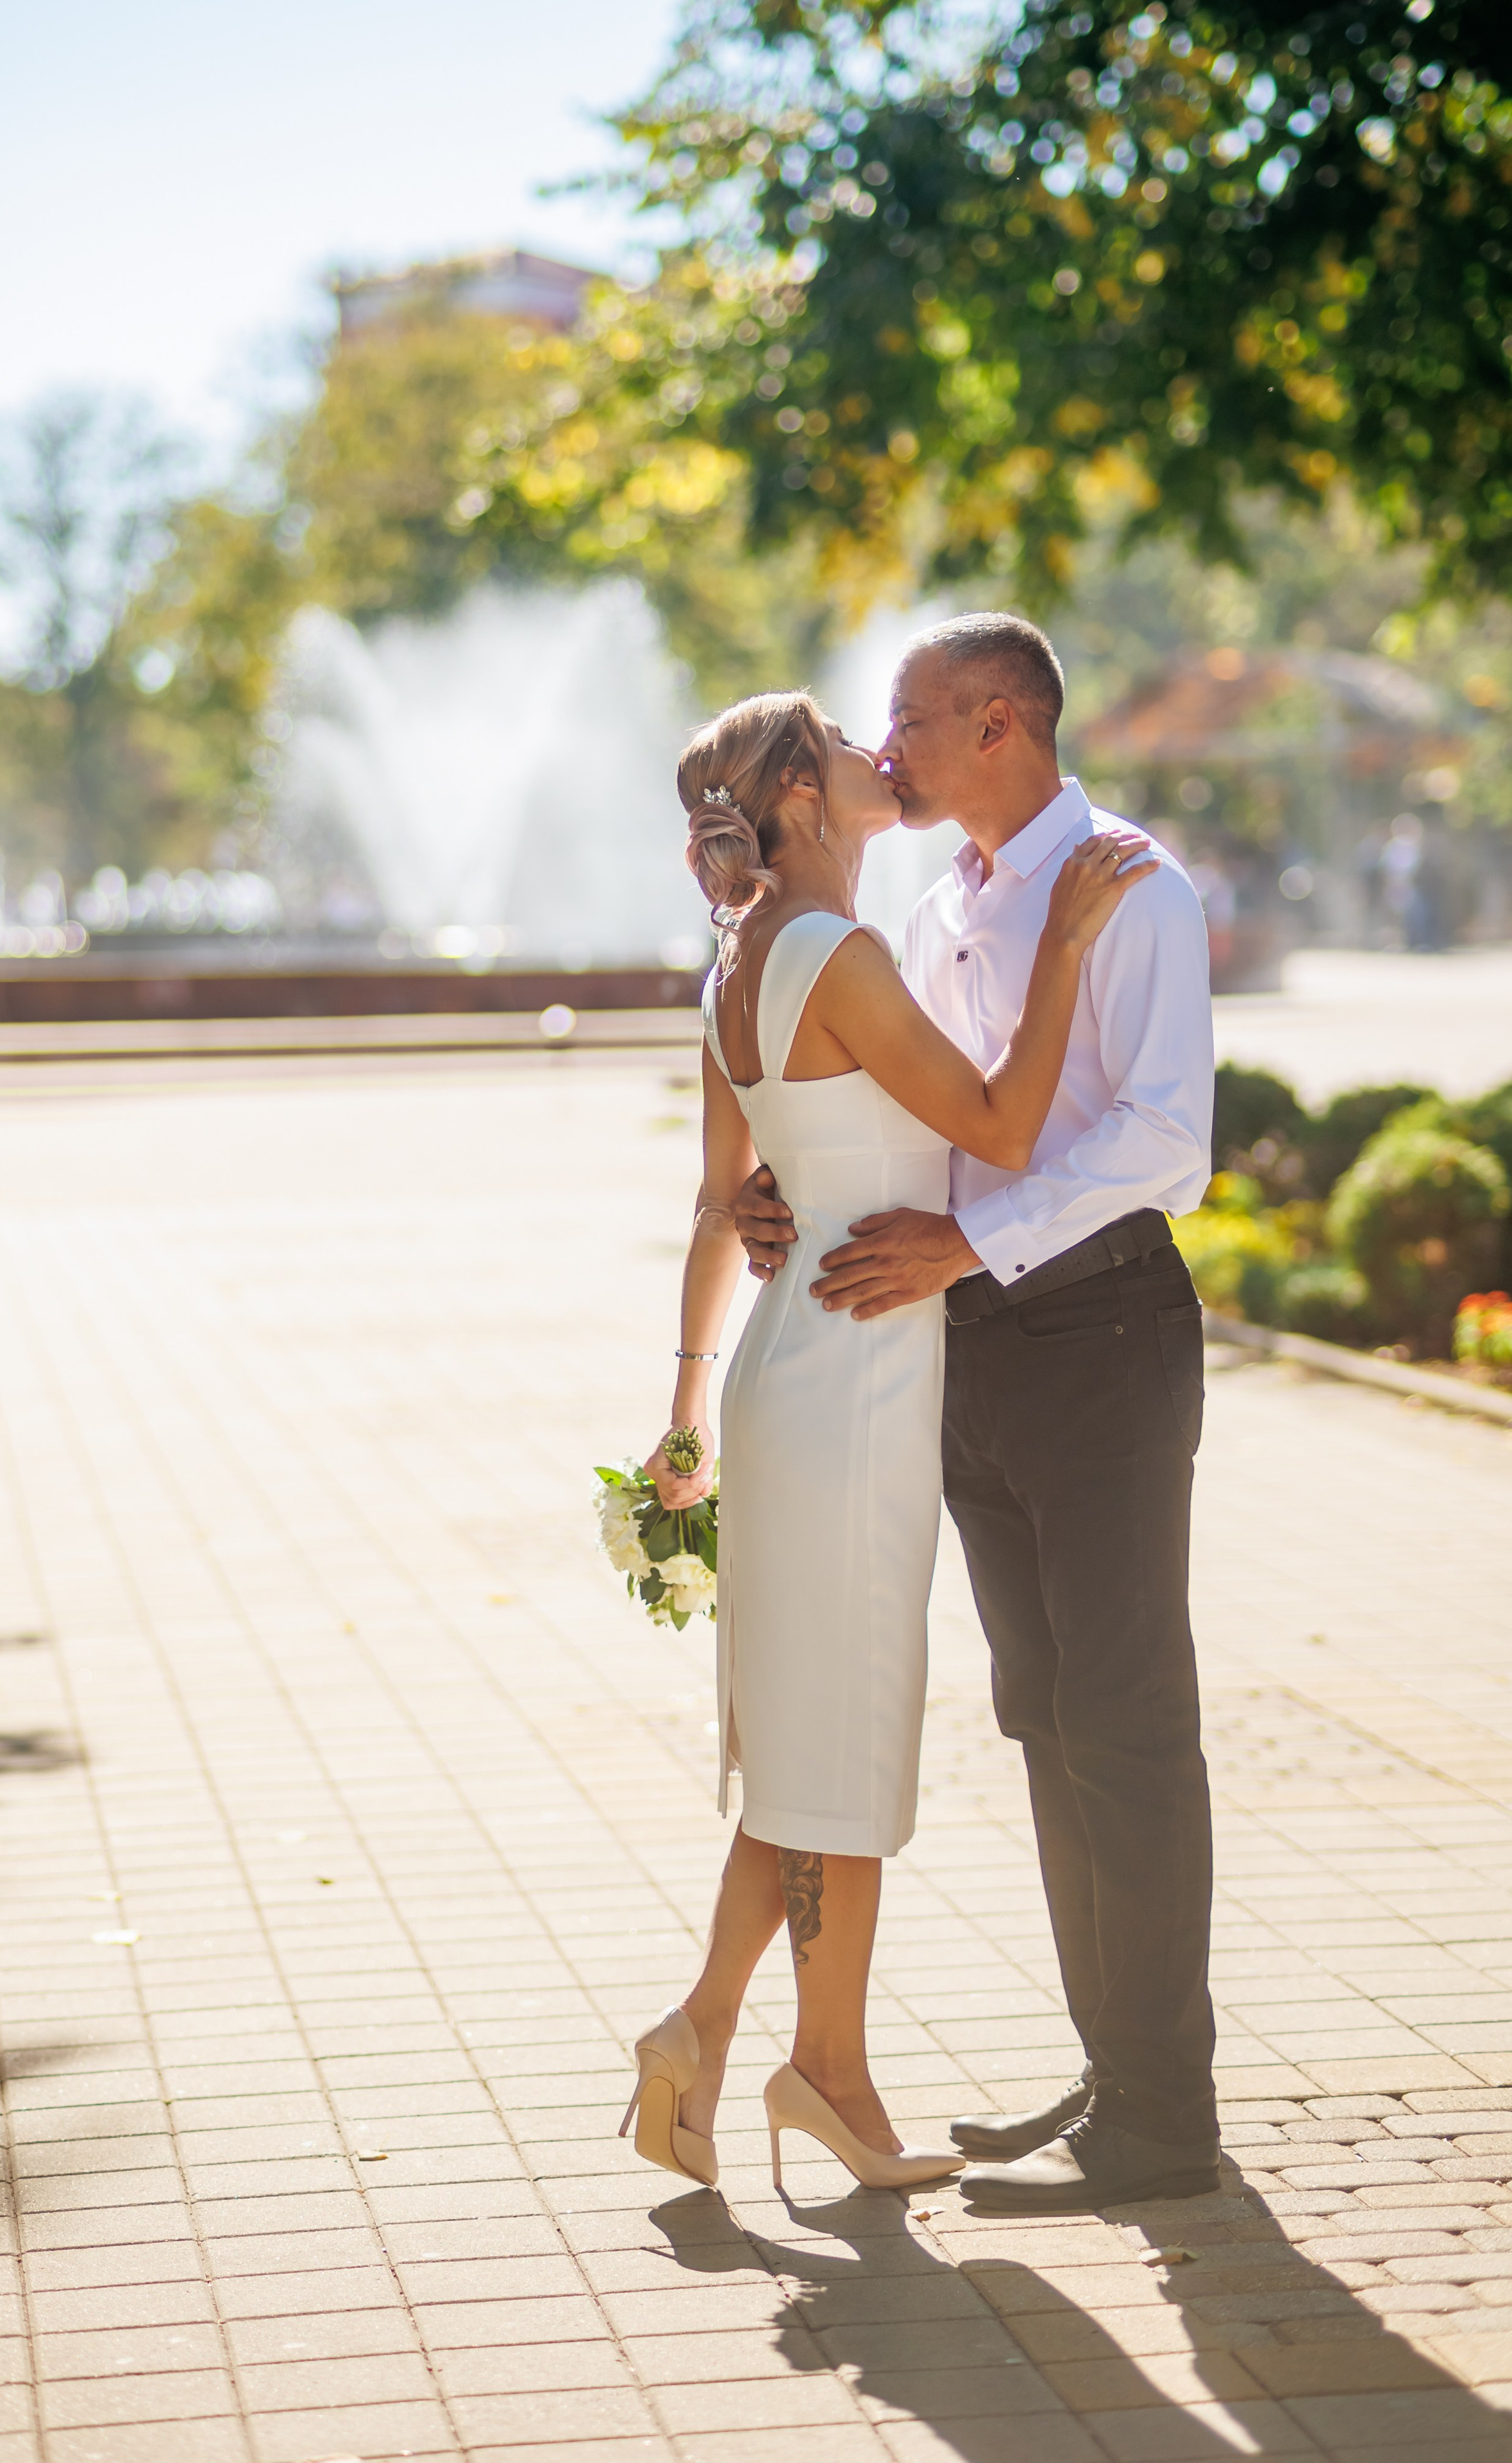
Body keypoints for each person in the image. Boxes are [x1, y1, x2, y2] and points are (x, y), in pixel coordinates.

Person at [618, 687, 1155, 2197]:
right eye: (846, 738)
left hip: (794, 1373)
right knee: (838, 1731)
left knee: (809, 1731)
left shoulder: (735, 966)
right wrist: (1060, 945)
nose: (874, 749)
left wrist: (681, 1412)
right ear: (798, 787)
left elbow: (723, 1207)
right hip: (851, 1378)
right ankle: (812, 2068)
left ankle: (725, 2036)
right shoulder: (830, 954)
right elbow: (993, 1123)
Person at [734, 616, 1221, 2213]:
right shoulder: (941, 903)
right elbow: (922, 1120)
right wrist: (787, 1205)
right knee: (1044, 1719)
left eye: (911, 721)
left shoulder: (1132, 887)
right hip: (964, 1345)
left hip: (1098, 1332)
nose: (887, 750)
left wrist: (967, 1239)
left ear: (999, 724)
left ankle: (1164, 2118)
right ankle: (1117, 2071)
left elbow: (1162, 1144)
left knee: (1128, 1724)